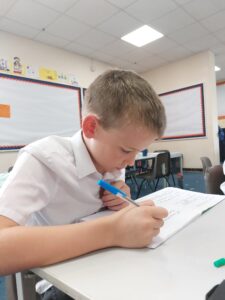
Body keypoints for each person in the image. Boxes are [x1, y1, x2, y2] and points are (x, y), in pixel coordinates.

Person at [0, 69, 168, 299]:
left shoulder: (113, 157)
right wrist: (113, 230)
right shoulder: (43, 158)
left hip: (110, 262)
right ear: (91, 128)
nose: (131, 161)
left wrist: (121, 195)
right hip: (62, 279)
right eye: (127, 150)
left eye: (137, 152)